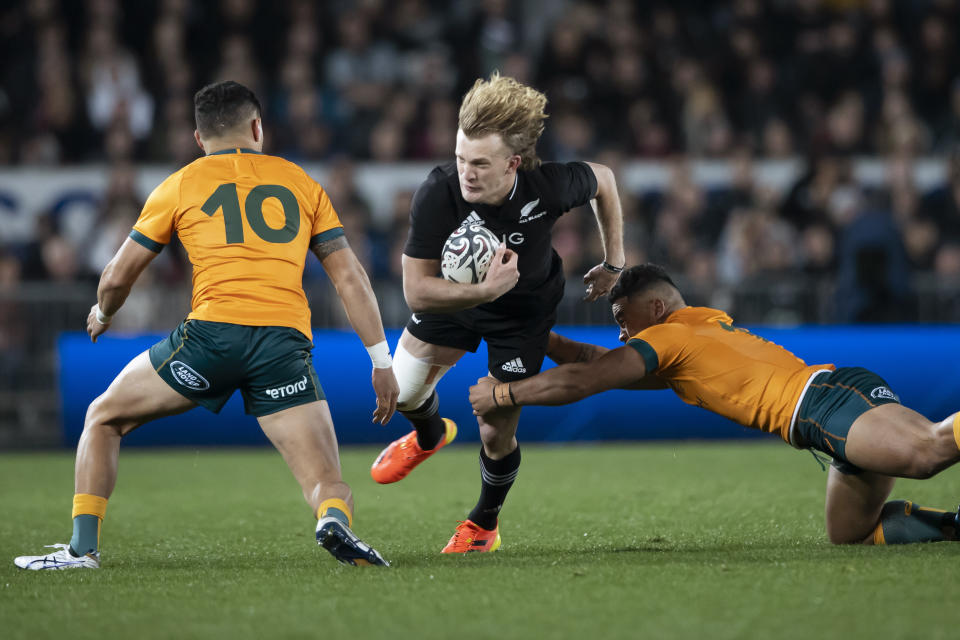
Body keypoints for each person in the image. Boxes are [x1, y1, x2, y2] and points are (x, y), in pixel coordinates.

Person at [14, 81, 398, 570]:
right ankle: (332, 522)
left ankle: (81, 549)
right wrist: (380, 360)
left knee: (103, 417)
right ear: (258, 126)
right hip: (283, 346)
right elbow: (351, 277)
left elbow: (117, 275)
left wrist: (104, 314)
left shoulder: (181, 183)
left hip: (210, 341)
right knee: (326, 479)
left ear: (199, 139)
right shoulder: (302, 182)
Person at [468, 263, 960, 545]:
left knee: (929, 452)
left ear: (656, 309)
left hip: (823, 403)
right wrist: (541, 338)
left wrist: (503, 393)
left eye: (623, 317)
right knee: (851, 534)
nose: (620, 330)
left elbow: (586, 380)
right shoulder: (694, 332)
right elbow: (595, 359)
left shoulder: (669, 338)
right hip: (824, 412)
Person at [369, 72, 625, 553]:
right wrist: (483, 291)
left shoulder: (546, 187)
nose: (466, 172)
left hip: (523, 316)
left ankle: (484, 522)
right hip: (456, 300)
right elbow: (417, 293)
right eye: (461, 157)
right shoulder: (437, 193)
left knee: (495, 427)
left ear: (512, 163)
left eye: (480, 164)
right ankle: (429, 434)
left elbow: (605, 181)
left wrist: (614, 263)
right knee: (402, 392)